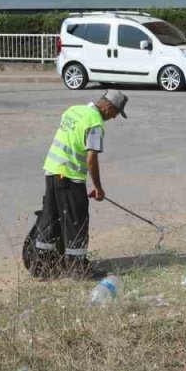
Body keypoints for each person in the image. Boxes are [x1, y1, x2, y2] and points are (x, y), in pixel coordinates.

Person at [34, 89, 127, 278]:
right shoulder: (95, 123)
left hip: (52, 170)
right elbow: (91, 159)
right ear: (108, 107)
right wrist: (98, 188)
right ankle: (77, 269)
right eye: (116, 112)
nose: (114, 117)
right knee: (76, 220)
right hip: (69, 176)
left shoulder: (74, 110)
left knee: (51, 218)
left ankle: (42, 266)